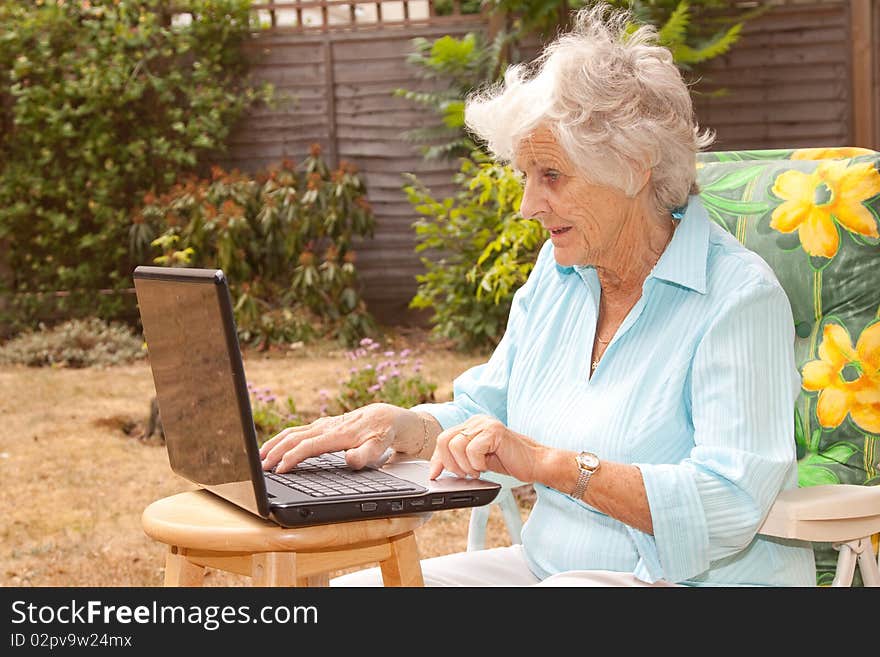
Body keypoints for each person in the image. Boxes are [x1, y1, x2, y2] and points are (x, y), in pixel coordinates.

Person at [259, 5, 816, 587]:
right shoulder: (560, 273)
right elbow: (487, 414)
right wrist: (401, 427)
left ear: (634, 165)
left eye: (551, 174)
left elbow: (728, 500)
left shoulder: (737, 297)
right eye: (525, 174)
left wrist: (551, 465)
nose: (528, 205)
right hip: (551, 572)